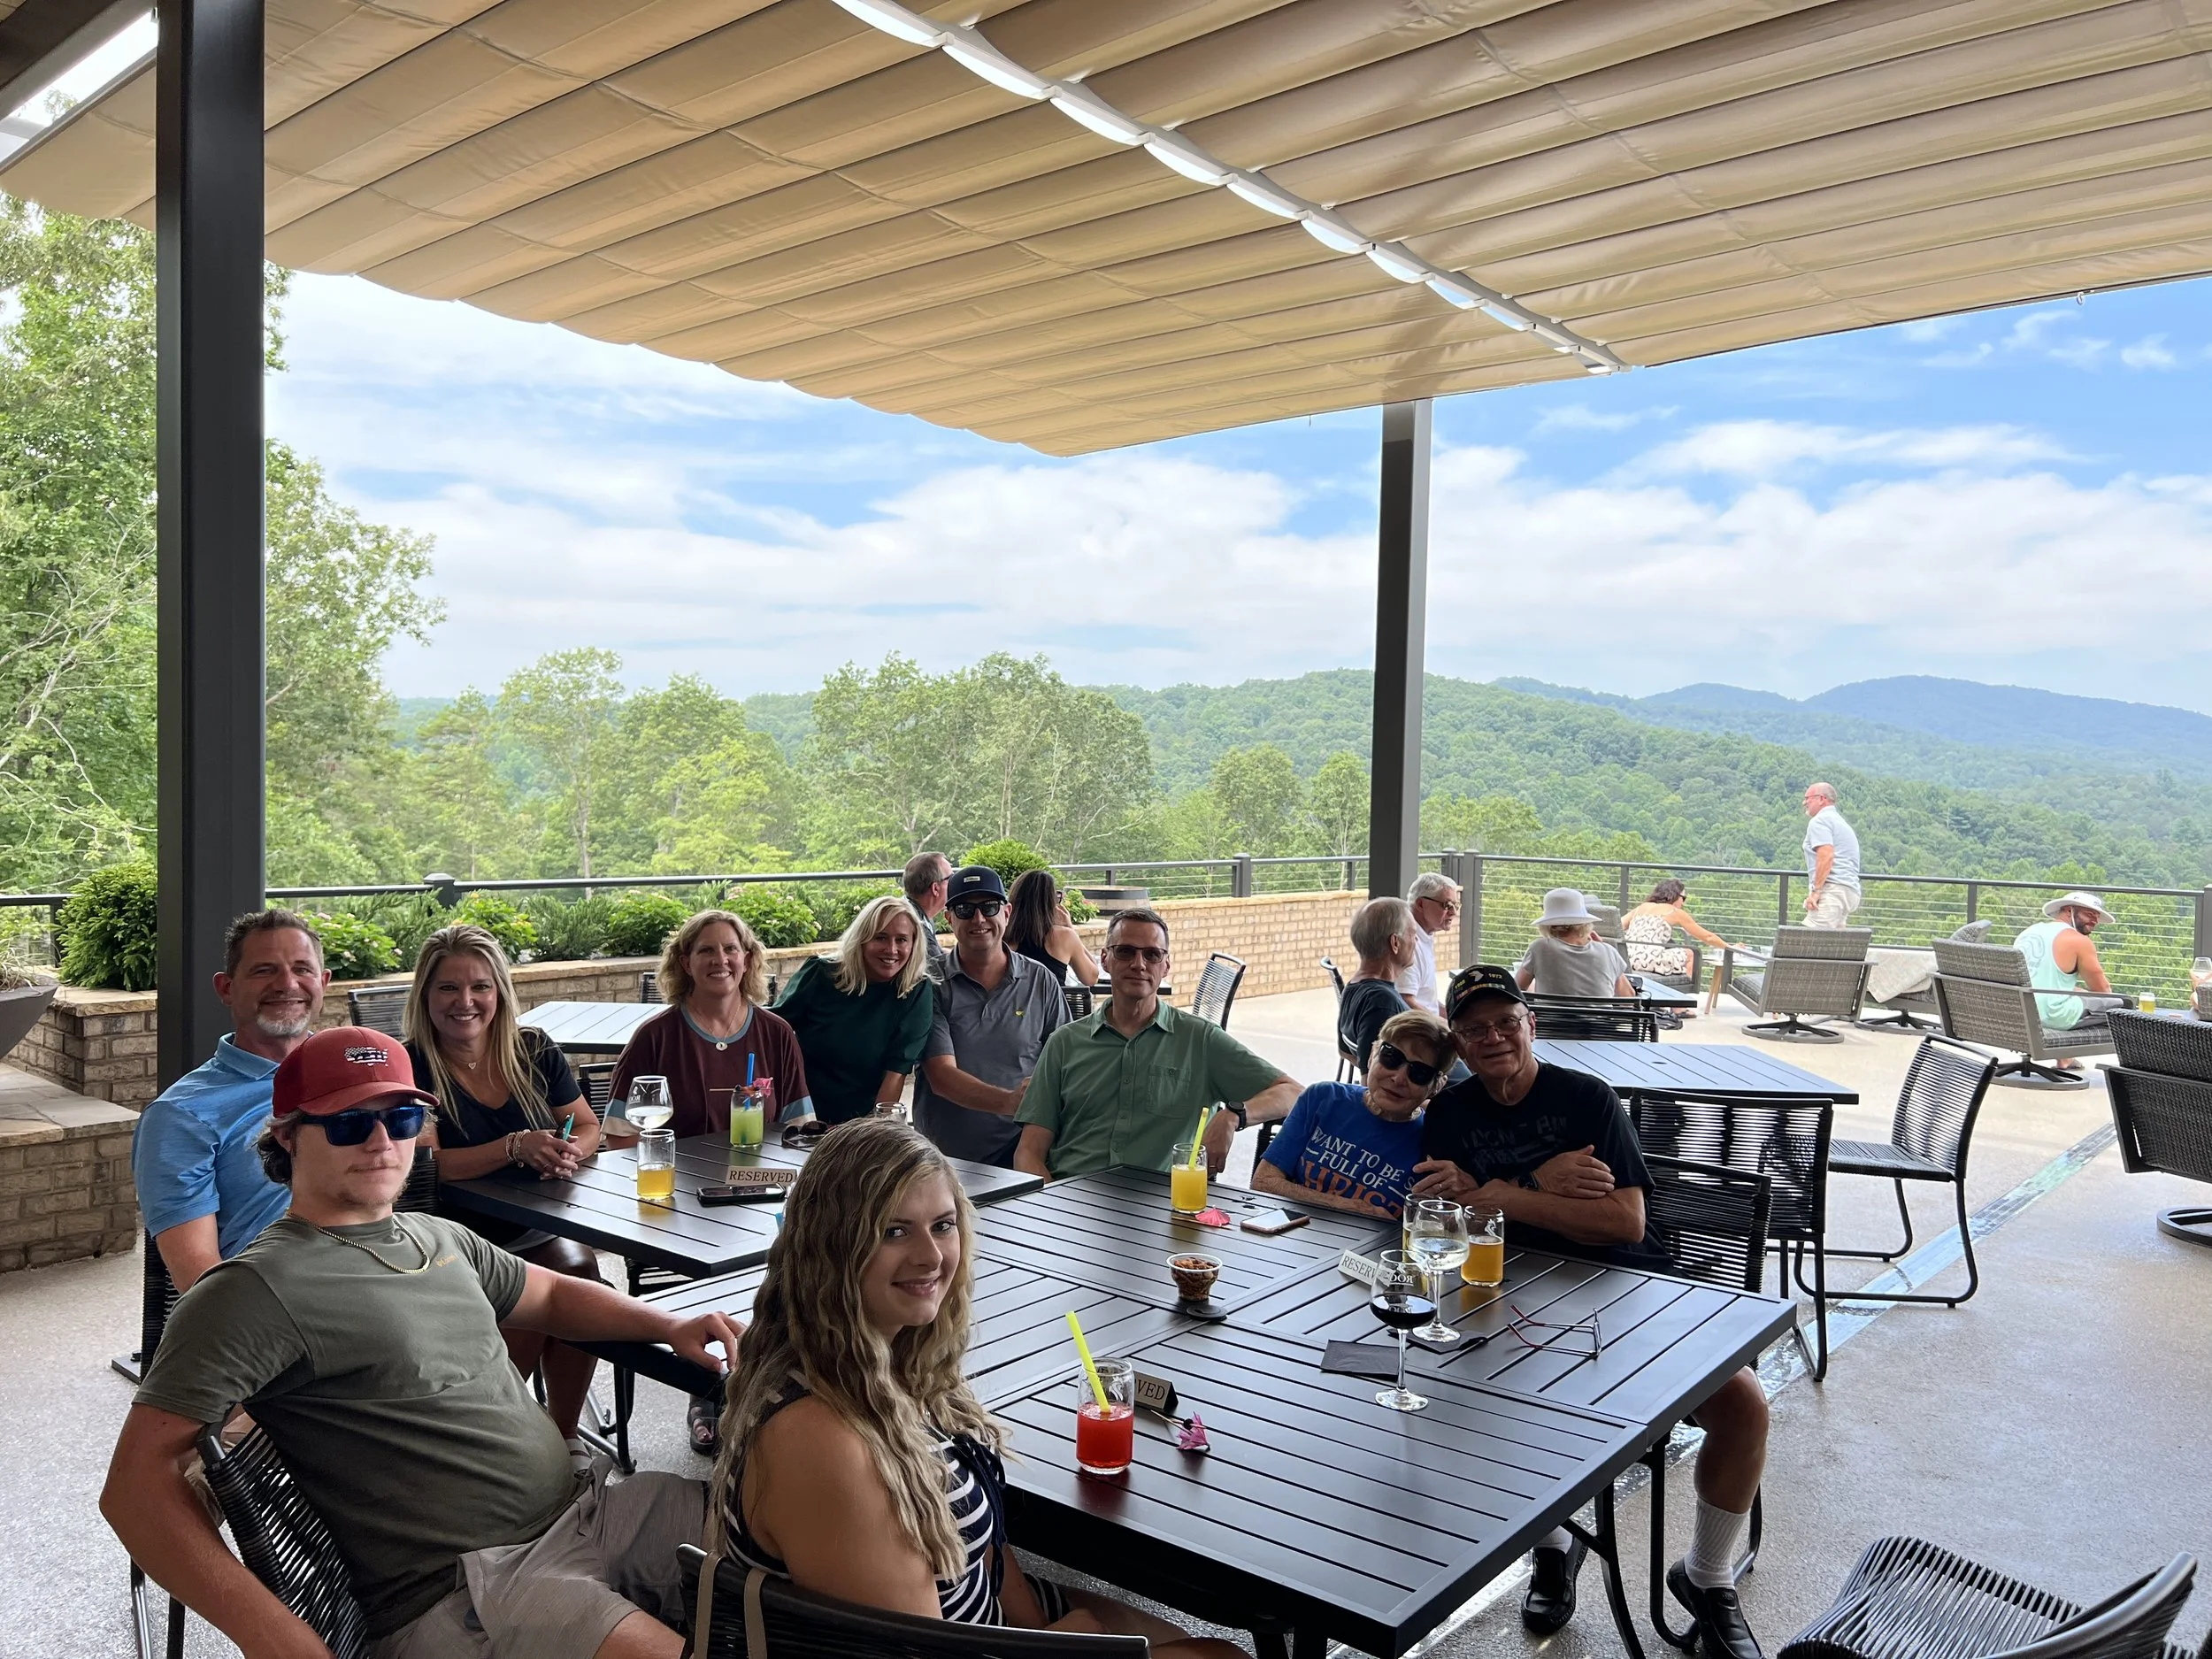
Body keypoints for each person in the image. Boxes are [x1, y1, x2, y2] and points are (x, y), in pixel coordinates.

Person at [103, 1025, 743, 1659]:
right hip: (477, 1588)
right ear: (287, 1135)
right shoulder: (253, 1288)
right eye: (351, 1122)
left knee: (785, 1522)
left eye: (403, 1117)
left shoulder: (434, 1235)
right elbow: (135, 1491)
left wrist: (666, 1324)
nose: (383, 1141)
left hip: (588, 1509)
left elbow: (549, 1295)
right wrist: (276, 1637)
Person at [705, 1117, 1240, 1656]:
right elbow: (922, 1651)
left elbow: (975, 1541)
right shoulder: (823, 1439)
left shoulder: (891, 1363)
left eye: (943, 1225)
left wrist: (1033, 1622)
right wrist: (1065, 1639)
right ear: (831, 1248)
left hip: (995, 1620)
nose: (932, 1256)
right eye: (894, 1231)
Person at [1412, 966, 1769, 1659]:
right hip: (1508, 1286)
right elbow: (1443, 1219)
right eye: (1476, 1027)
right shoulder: (1449, 1113)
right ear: (1458, 1039)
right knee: (1471, 1392)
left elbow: (1624, 1221)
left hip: (1625, 1283)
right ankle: (1553, 1546)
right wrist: (1538, 1186)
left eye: (1505, 1021)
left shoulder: (1587, 1099)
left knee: (1744, 1402)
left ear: (1530, 1023)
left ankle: (1708, 1575)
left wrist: (1501, 1197)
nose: (1494, 1037)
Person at [403, 923, 610, 1449]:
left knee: (581, 1274)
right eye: (448, 988)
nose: (465, 1001)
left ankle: (561, 1440)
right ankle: (500, 1435)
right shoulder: (410, 1065)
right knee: (567, 1275)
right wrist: (514, 1147)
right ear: (426, 995)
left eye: (480, 987)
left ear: (500, 991)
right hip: (450, 1237)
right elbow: (427, 1166)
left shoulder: (535, 1049)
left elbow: (588, 1126)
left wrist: (568, 1152)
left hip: (536, 1223)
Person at [1014, 908, 1299, 1180]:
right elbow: (1029, 1153)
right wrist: (1054, 1208)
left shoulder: (1200, 1041)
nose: (1139, 964)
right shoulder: (1065, 1043)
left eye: (1152, 954)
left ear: (1166, 966)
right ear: (1105, 959)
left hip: (1163, 1210)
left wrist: (1233, 1115)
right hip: (1074, 1202)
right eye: (1125, 952)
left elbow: (1293, 1093)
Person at [131, 910, 329, 1293]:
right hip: (276, 1307)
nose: (287, 984)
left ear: (323, 983)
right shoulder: (181, 1115)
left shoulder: (353, 1075)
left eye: (302, 969)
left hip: (378, 1277)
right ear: (226, 988)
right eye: (263, 971)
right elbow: (200, 1281)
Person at [914, 866, 1071, 1167]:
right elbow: (941, 1077)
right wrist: (1011, 1102)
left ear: (1007, 912)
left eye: (989, 907)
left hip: (1025, 1150)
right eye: (965, 909)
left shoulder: (1041, 980)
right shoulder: (930, 984)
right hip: (944, 1159)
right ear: (949, 919)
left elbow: (1064, 1065)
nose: (979, 919)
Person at [611, 909, 813, 1138]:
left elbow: (799, 1132)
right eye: (707, 950)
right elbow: (620, 1136)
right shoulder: (655, 1036)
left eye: (730, 949)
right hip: (678, 1174)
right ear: (686, 964)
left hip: (758, 1173)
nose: (720, 960)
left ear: (746, 960)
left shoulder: (778, 1034)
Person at [1253, 1010, 1452, 1219]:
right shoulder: (1323, 1098)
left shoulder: (1437, 1139)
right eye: (1391, 1057)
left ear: (1436, 1086)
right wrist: (1347, 1206)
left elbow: (1437, 1225)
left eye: (1419, 1073)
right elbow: (1264, 1181)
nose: (1399, 1078)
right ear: (1373, 1053)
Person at [775, 895, 934, 1125]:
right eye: (880, 937)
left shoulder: (916, 990)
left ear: (913, 943)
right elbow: (773, 1028)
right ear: (862, 939)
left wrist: (869, 1131)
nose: (891, 949)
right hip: (799, 1116)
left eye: (902, 940)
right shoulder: (822, 974)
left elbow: (897, 1069)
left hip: (861, 1122)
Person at [2015, 891, 2126, 1043]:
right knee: (2123, 1004)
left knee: (2075, 995)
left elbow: (2039, 978)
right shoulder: (2079, 941)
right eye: (2089, 914)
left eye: (2097, 916)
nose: (2095, 921)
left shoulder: (2028, 932)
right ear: (2069, 910)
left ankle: (2065, 1060)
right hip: (2054, 1016)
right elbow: (2103, 991)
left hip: (2021, 1012)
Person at [1340, 897, 1416, 1071]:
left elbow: (1346, 1052)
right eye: (1413, 934)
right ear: (1395, 943)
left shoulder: (1353, 988)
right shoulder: (1382, 1002)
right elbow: (1372, 1082)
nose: (1416, 942)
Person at [1517, 888, 1634, 998]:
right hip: (1599, 1020)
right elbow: (1628, 997)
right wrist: (1605, 949)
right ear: (1585, 923)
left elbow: (1517, 989)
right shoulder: (1608, 951)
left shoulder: (1539, 948)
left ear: (1547, 925)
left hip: (1552, 1020)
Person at [1005, 867, 1102, 989]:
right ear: (1051, 902)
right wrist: (1070, 929)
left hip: (1008, 1007)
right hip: (1051, 1008)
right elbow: (1091, 978)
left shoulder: (1001, 936)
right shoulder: (1064, 937)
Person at [1621, 879, 1733, 979]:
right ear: (1674, 896)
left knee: (1672, 950)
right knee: (1691, 953)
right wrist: (1730, 948)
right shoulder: (1674, 912)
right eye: (1683, 898)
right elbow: (1708, 937)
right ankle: (1685, 998)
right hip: (1648, 961)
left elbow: (1618, 925)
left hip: (1626, 958)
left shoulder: (1642, 907)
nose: (1683, 903)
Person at [1394, 872, 1460, 1016]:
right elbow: (1404, 1001)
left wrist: (1455, 1020)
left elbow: (1426, 1001)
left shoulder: (1424, 936)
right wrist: (1443, 1027)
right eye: (1447, 905)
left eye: (1456, 906)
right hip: (1419, 1032)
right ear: (1420, 904)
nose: (1453, 912)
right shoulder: (1409, 943)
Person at [1801, 781, 1863, 927]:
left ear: (1822, 799)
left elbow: (1826, 856)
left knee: (1810, 943)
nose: (1805, 803)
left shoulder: (1820, 821)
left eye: (1808, 798)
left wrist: (1816, 891)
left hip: (1833, 890)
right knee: (1833, 946)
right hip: (1849, 889)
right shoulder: (1839, 822)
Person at [904, 851, 953, 983]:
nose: (954, 883)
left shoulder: (915, 912)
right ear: (935, 888)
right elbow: (941, 975)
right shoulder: (915, 925)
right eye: (950, 879)